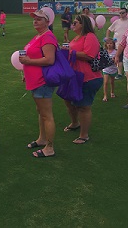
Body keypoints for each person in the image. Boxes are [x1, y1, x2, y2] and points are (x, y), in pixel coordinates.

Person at [19, 9, 57, 158]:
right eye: (34, 18)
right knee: (41, 112)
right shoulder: (39, 36)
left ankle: (50, 147)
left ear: (47, 22)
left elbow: (49, 60)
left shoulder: (47, 37)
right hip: (36, 81)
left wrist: (29, 62)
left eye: (39, 19)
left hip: (43, 81)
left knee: (47, 114)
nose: (35, 21)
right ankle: (42, 139)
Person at [61, 15, 103, 144]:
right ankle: (75, 123)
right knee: (68, 100)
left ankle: (84, 135)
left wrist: (70, 52)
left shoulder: (90, 36)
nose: (73, 25)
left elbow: (89, 55)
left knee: (83, 106)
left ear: (83, 24)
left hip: (88, 77)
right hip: (74, 76)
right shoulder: (77, 37)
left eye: (75, 22)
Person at [107, 8, 128, 79]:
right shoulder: (116, 22)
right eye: (120, 13)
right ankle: (119, 73)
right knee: (119, 59)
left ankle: (127, 72)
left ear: (126, 13)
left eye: (123, 13)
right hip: (118, 44)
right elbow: (109, 30)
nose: (121, 14)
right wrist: (108, 38)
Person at [101, 37, 117, 102]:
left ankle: (112, 92)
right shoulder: (104, 51)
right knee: (105, 82)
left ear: (113, 44)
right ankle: (105, 96)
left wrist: (114, 60)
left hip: (113, 68)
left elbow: (117, 60)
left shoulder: (115, 52)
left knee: (112, 82)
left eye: (111, 43)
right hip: (106, 69)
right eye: (108, 43)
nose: (109, 45)